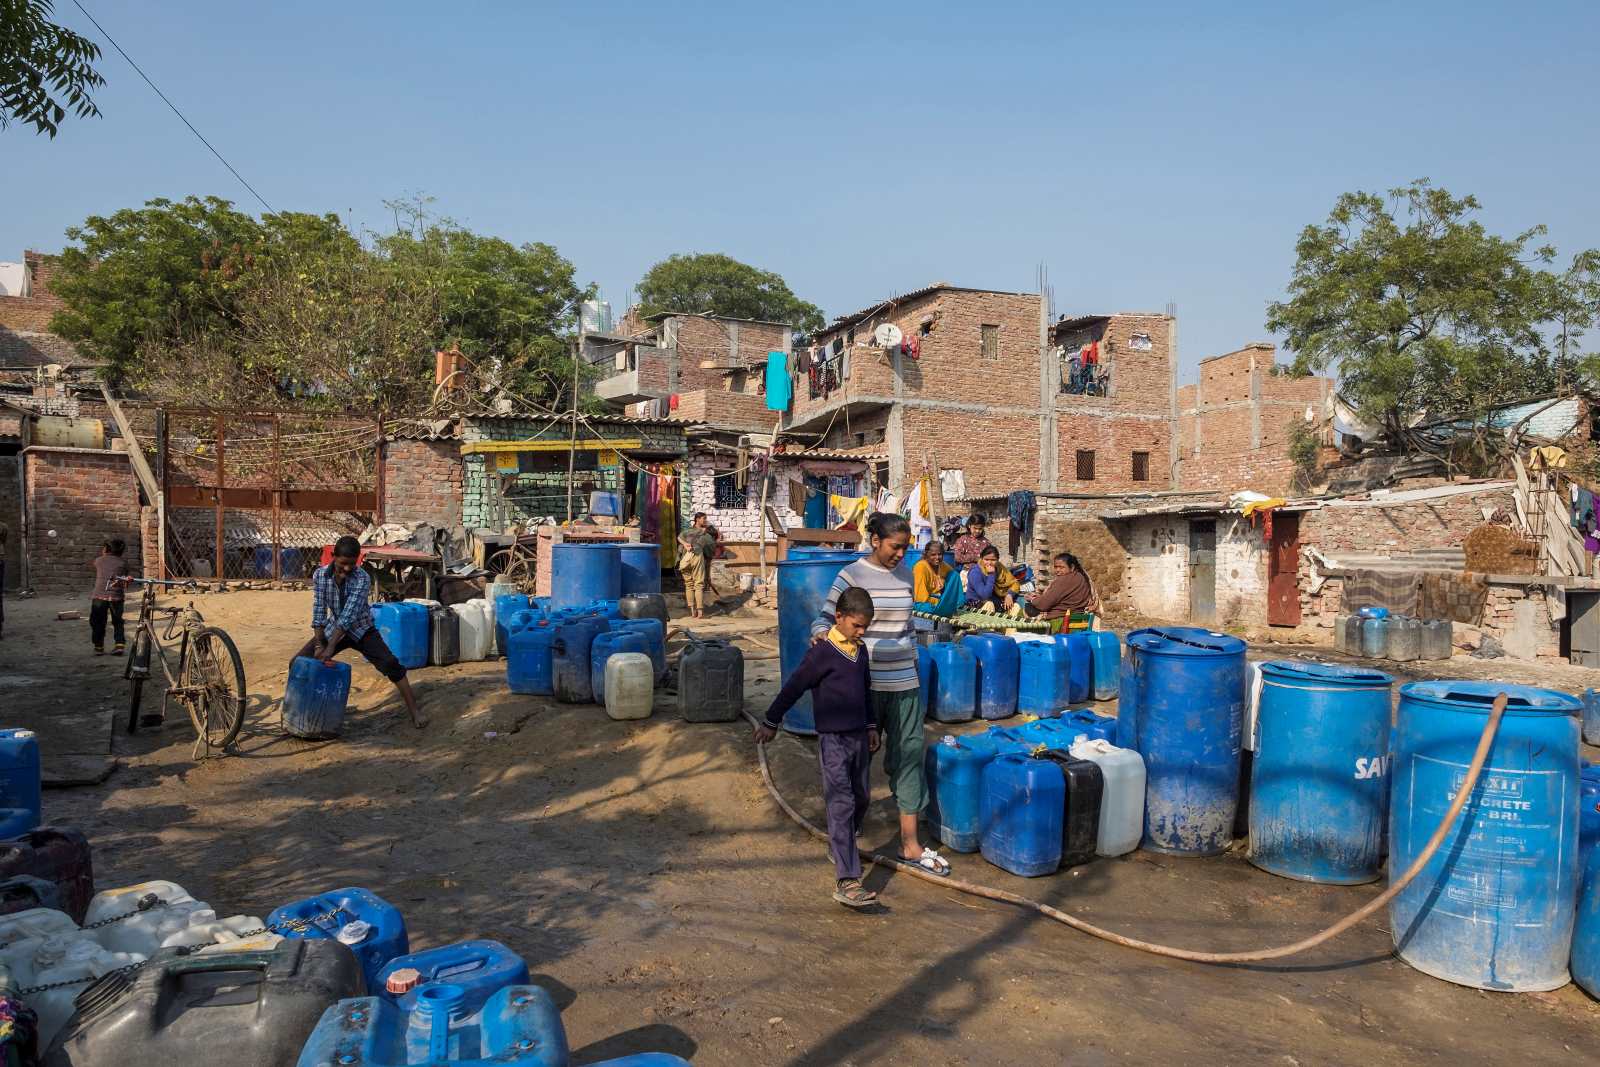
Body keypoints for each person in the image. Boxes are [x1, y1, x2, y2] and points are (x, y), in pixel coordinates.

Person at [813, 511, 951, 876]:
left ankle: (909, 842)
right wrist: (820, 635)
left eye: (906, 548)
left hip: (904, 683)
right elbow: (825, 617)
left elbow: (908, 627)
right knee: (855, 767)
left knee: (909, 758)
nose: (901, 555)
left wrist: (915, 666)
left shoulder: (906, 575)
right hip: (863, 686)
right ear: (875, 541)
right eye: (895, 547)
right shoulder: (852, 575)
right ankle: (845, 835)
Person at [754, 586, 880, 908]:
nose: (861, 632)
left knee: (862, 797)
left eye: (865, 627)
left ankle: (840, 844)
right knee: (841, 803)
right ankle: (847, 880)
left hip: (859, 738)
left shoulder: (861, 651)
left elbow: (866, 691)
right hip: (833, 740)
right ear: (839, 617)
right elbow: (794, 686)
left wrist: (871, 726)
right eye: (857, 625)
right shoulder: (821, 652)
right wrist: (771, 721)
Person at [293, 536, 426, 728]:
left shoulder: (362, 578)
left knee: (390, 664)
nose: (347, 568)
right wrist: (320, 644)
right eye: (343, 563)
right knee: (298, 663)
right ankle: (299, 712)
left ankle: (415, 711)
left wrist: (330, 647)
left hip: (361, 629)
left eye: (352, 564)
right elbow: (319, 611)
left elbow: (348, 616)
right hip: (333, 627)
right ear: (333, 556)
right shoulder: (320, 575)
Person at [1026, 551, 1099, 622]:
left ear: (1072, 567)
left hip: (1060, 620)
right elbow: (1059, 598)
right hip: (1077, 619)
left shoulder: (1064, 579)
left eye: (1061, 567)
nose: (1057, 570)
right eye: (1056, 567)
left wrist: (1032, 599)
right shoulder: (1081, 577)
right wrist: (1039, 597)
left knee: (1027, 608)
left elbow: (1043, 604)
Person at [90, 539, 130, 655]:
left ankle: (98, 646)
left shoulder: (99, 561)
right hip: (117, 596)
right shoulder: (124, 563)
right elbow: (125, 576)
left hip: (99, 596)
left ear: (106, 549)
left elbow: (96, 565)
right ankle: (119, 645)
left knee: (97, 621)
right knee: (118, 621)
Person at [963, 544, 1021, 614]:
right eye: (986, 559)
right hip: (977, 603)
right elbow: (985, 595)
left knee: (1015, 606)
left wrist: (1009, 595)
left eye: (993, 560)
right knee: (989, 605)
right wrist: (991, 575)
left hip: (996, 600)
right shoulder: (976, 572)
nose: (989, 563)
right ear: (981, 559)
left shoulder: (1000, 568)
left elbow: (1014, 583)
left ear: (998, 560)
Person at [677, 513, 709, 619]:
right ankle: (700, 612)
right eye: (704, 518)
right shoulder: (705, 532)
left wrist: (685, 544)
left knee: (689, 585)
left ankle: (692, 611)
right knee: (698, 584)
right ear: (697, 519)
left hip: (685, 559)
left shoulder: (687, 531)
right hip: (696, 556)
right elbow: (710, 546)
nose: (705, 520)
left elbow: (679, 537)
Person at [912, 539, 952, 612]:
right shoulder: (920, 567)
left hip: (939, 601)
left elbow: (954, 577)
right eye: (933, 555)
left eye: (939, 554)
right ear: (926, 555)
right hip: (923, 604)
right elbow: (921, 598)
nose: (937, 557)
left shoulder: (943, 565)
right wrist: (942, 602)